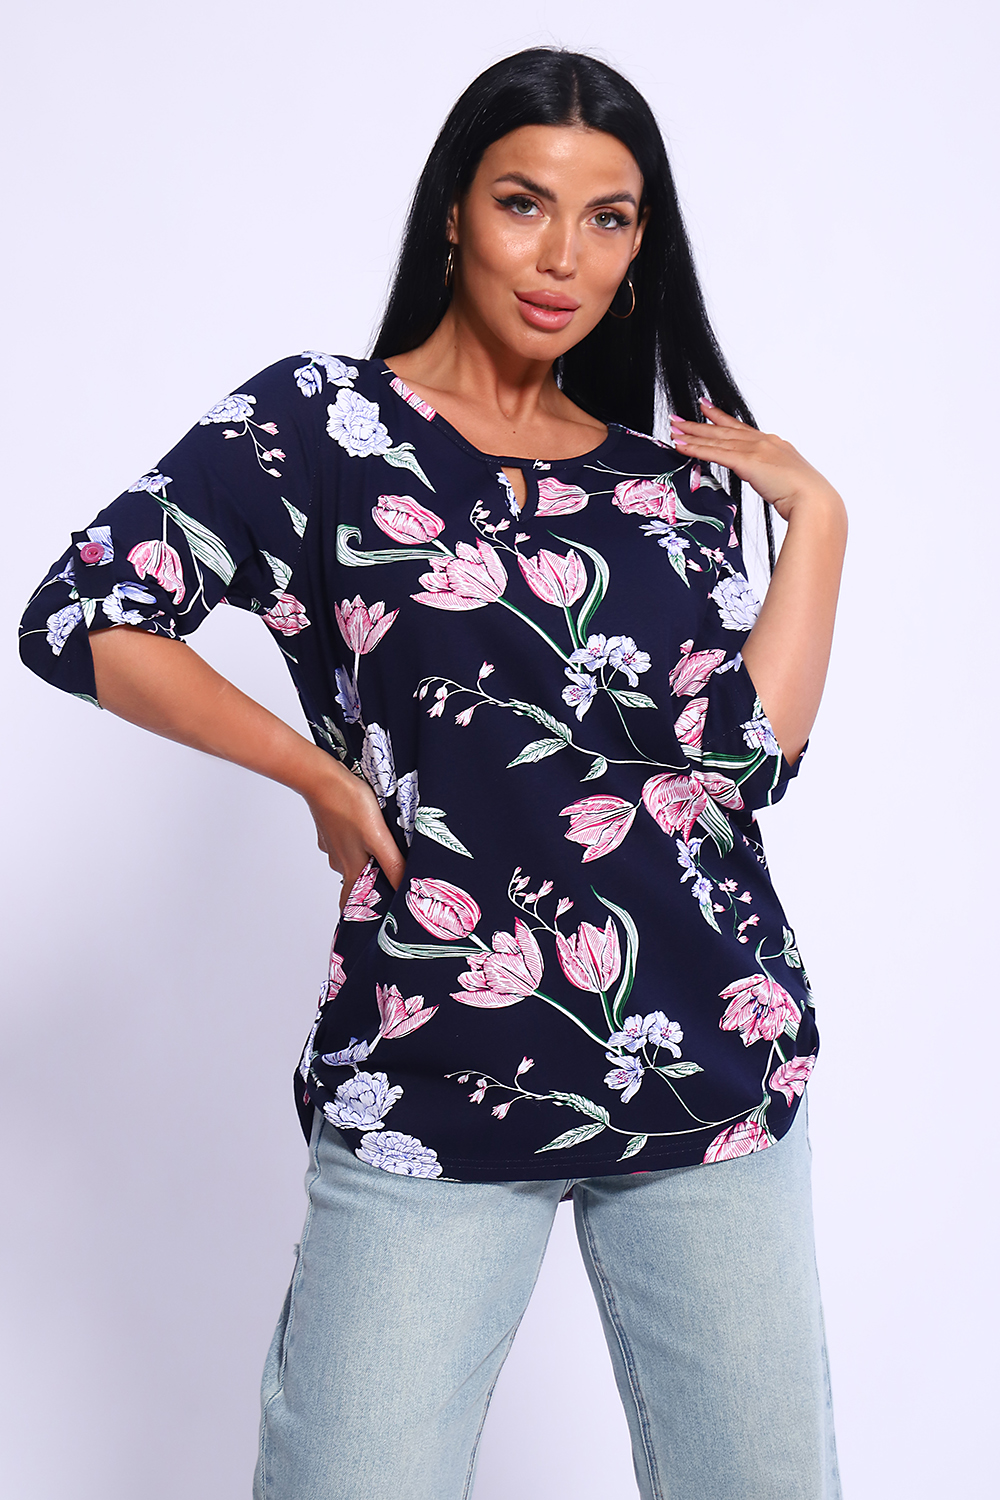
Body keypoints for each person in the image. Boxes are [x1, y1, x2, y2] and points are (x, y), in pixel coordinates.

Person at [18, 46, 847, 1500]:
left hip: (710, 1063)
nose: (563, 255)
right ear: (454, 210)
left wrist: (820, 522)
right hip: (436, 1064)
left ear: (640, 250)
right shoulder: (324, 427)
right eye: (526, 203)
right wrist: (314, 774)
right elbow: (82, 615)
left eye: (608, 218)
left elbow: (745, 761)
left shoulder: (675, 488)